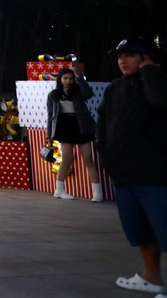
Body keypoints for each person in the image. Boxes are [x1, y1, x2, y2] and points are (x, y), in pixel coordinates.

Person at [96, 37, 167, 295]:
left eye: (129, 55)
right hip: (124, 175)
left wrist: (150, 71)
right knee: (141, 232)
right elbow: (102, 121)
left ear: (145, 58)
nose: (122, 60)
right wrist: (104, 151)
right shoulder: (115, 88)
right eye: (119, 56)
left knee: (163, 229)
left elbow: (160, 101)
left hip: (154, 174)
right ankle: (151, 277)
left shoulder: (157, 81)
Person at [47, 66, 101, 202]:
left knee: (88, 159)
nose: (68, 81)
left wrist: (79, 77)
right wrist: (49, 134)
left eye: (71, 78)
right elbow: (50, 116)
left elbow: (88, 94)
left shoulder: (78, 91)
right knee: (67, 159)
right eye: (65, 78)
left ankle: (97, 193)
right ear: (60, 79)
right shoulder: (53, 95)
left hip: (81, 125)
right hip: (64, 126)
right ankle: (59, 190)